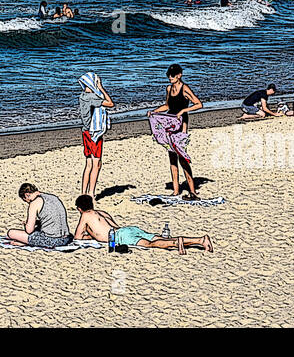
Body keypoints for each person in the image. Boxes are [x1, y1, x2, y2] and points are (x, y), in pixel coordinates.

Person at [73, 195, 211, 254]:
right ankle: (199, 240)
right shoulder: (102, 212)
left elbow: (77, 237)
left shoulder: (85, 215)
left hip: (120, 236)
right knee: (156, 238)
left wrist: (91, 237)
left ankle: (177, 242)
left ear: (80, 209)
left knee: (152, 244)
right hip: (128, 229)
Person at [150, 64, 201, 198]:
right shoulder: (169, 88)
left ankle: (192, 191)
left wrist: (184, 110)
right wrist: (154, 111)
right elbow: (167, 105)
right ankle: (176, 190)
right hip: (169, 123)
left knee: (182, 158)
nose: (170, 78)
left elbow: (198, 104)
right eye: (169, 75)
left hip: (181, 123)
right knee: (172, 157)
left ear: (179, 75)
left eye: (172, 75)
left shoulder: (184, 89)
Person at [77, 72, 113, 197]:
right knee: (96, 164)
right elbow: (110, 103)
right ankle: (91, 193)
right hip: (93, 133)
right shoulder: (92, 97)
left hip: (85, 132)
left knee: (88, 164)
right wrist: (101, 88)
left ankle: (83, 193)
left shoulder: (83, 96)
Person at [6, 183, 72, 248]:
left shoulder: (34, 202)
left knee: (11, 233)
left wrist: (26, 224)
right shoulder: (53, 197)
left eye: (26, 200)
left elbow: (29, 231)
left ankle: (25, 243)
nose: (28, 202)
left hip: (52, 240)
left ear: (27, 195)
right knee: (37, 229)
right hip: (67, 238)